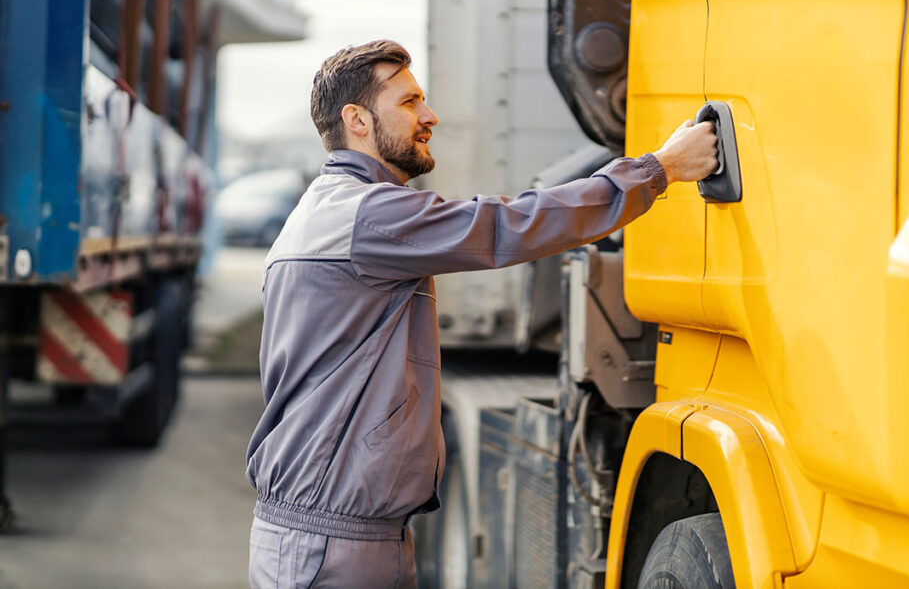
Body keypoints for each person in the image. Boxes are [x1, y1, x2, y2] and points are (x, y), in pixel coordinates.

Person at [245, 39, 718, 588]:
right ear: (356, 120)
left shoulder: (328, 208)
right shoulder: (366, 215)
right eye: (408, 102)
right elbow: (505, 226)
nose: (430, 116)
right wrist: (656, 170)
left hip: (334, 537)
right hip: (332, 546)